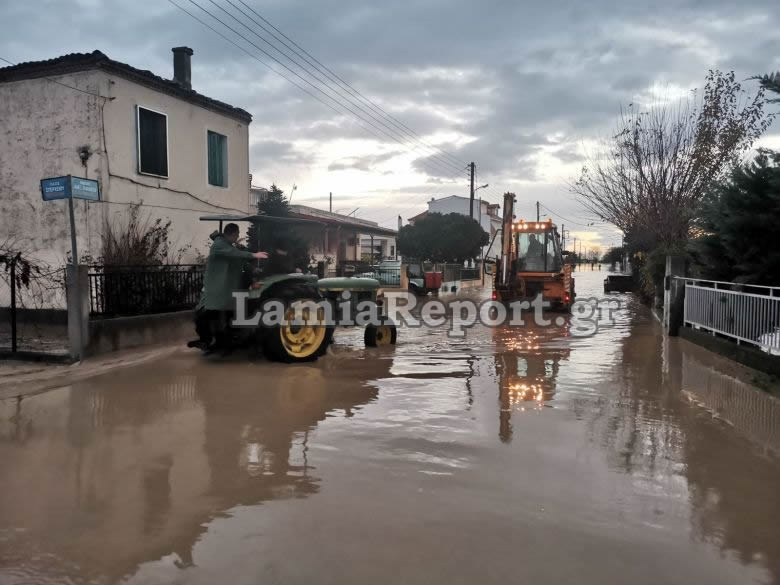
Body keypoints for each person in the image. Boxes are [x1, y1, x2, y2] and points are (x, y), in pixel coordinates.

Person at [189, 223, 268, 350]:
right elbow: (236, 254)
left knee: (224, 316)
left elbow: (239, 260)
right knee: (203, 314)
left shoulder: (228, 246)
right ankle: (206, 340)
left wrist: (254, 271)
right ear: (232, 234)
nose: (237, 237)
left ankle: (221, 342)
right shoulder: (219, 245)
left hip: (226, 290)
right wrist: (253, 255)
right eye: (237, 235)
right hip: (216, 289)